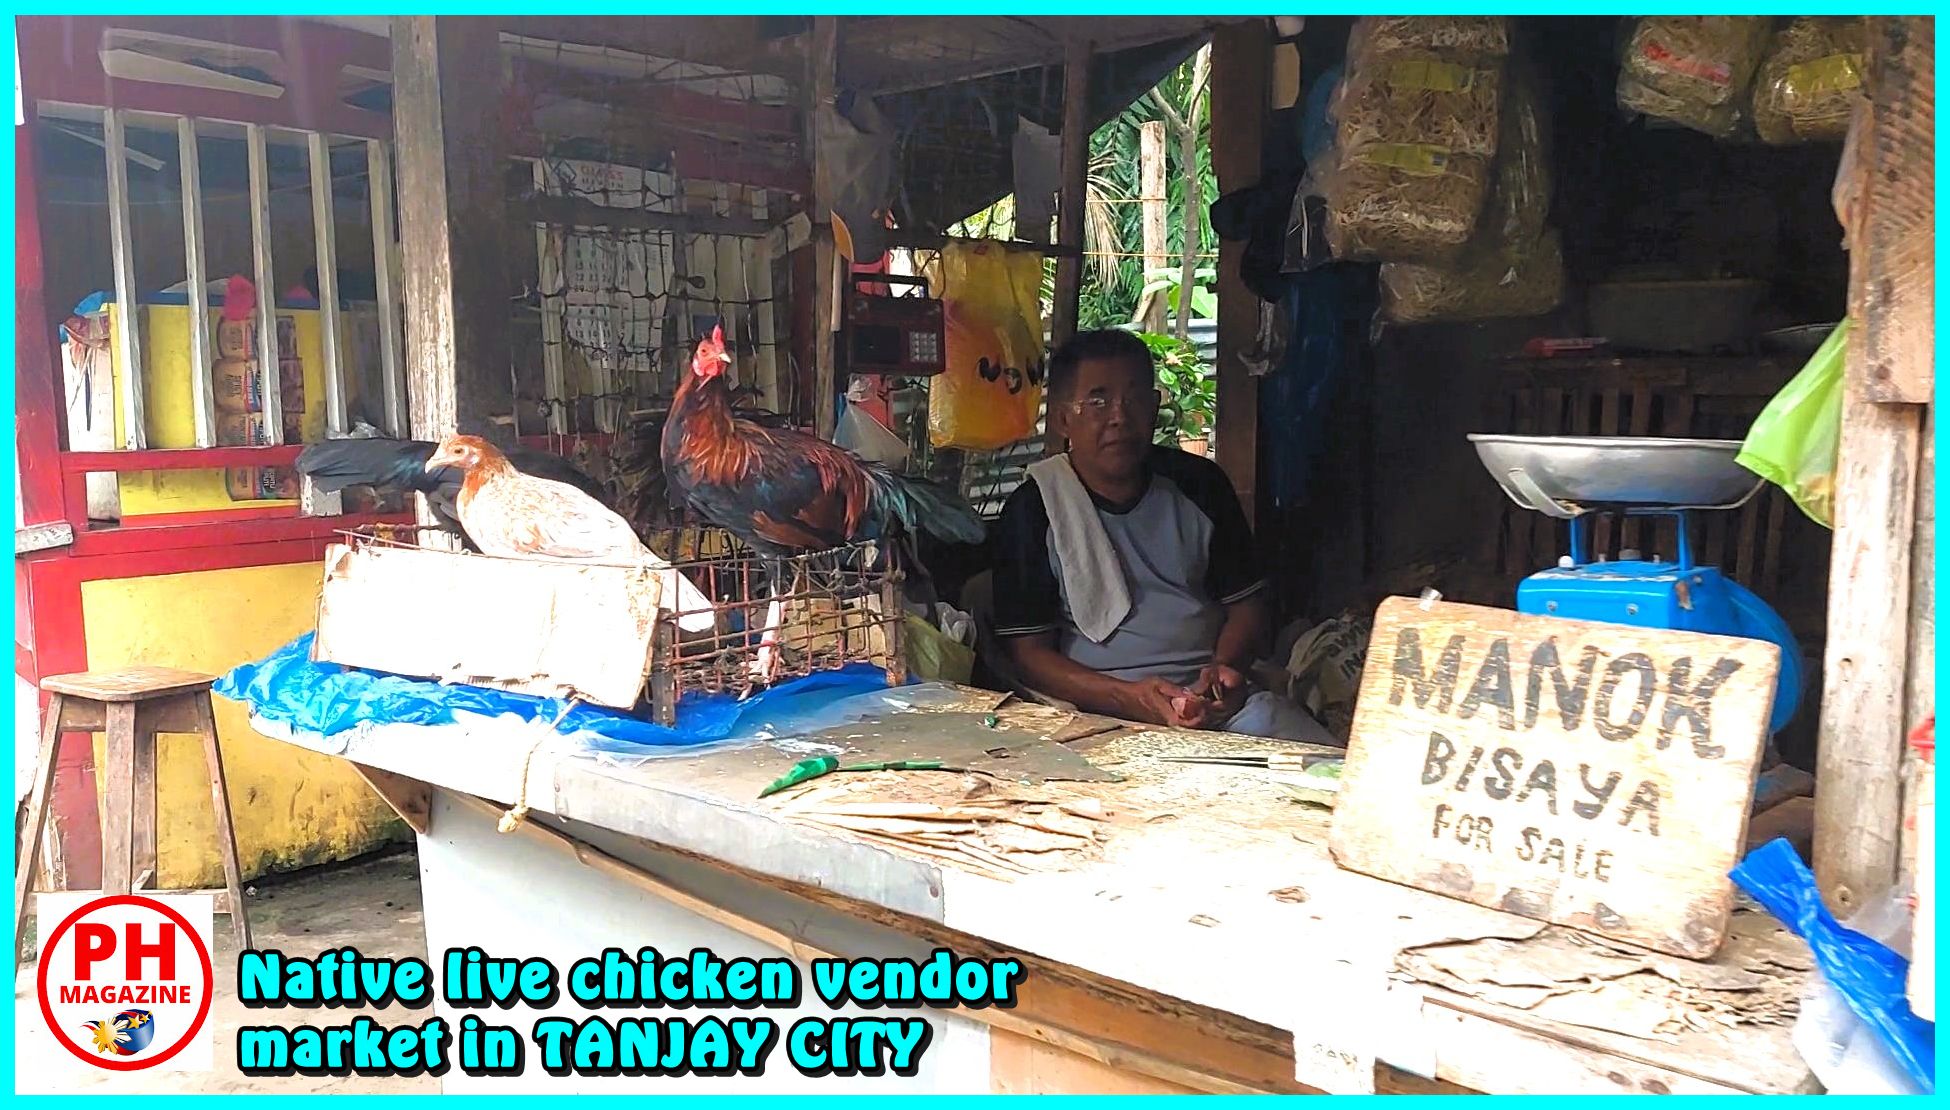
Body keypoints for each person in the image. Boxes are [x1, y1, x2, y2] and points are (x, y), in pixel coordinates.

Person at [990, 329, 1336, 744]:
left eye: (1135, 398)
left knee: (1333, 776)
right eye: (1098, 401)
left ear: (1154, 407)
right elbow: (1029, 655)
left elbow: (1247, 606)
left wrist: (1224, 672)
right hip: (1097, 717)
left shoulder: (1199, 485)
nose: (1119, 416)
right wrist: (1128, 698)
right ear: (1064, 418)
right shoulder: (1034, 510)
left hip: (1216, 707)